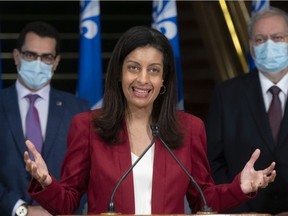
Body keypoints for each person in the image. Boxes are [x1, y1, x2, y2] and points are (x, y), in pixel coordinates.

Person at [24, 25, 275, 215]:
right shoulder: (88, 126)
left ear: (164, 79)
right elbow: (67, 204)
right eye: (134, 67)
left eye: (153, 70)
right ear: (119, 74)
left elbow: (203, 199)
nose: (143, 79)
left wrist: (239, 188)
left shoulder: (189, 128)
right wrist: (46, 182)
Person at [0, 21, 90, 216]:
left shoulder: (78, 109)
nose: (38, 63)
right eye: (31, 55)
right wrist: (20, 209)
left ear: (56, 62)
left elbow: (86, 174)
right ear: (17, 57)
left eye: (46, 57)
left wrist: (60, 208)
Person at [206, 7, 288, 214]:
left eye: (277, 38)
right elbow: (213, 163)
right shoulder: (226, 94)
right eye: (260, 39)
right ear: (251, 46)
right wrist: (237, 209)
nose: (269, 45)